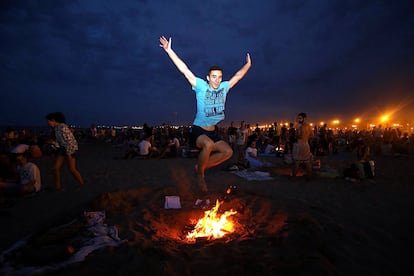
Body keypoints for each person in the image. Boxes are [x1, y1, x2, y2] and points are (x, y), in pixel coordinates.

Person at [159, 35, 252, 193]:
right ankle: (200, 175)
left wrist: (248, 65)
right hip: (198, 130)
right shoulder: (201, 86)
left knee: (228, 152)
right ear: (208, 78)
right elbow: (184, 70)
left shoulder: (224, 87)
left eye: (219, 77)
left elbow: (238, 76)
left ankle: (200, 166)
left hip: (213, 131)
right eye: (213, 77)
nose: (217, 80)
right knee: (208, 145)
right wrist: (169, 51)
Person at [46, 112, 84, 191]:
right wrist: (53, 143)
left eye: (48, 121)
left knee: (72, 169)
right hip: (63, 150)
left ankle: (82, 184)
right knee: (55, 168)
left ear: (53, 120)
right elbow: (60, 143)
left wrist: (69, 154)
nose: (48, 123)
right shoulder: (56, 129)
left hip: (70, 150)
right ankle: (57, 186)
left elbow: (70, 142)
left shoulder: (63, 127)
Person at [292, 112, 314, 179]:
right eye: (298, 118)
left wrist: (295, 133)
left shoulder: (299, 126)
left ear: (304, 118)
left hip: (300, 146)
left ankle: (293, 177)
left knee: (297, 162)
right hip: (306, 145)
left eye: (300, 118)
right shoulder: (309, 126)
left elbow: (299, 136)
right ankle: (309, 177)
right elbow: (312, 135)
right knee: (307, 161)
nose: (299, 119)